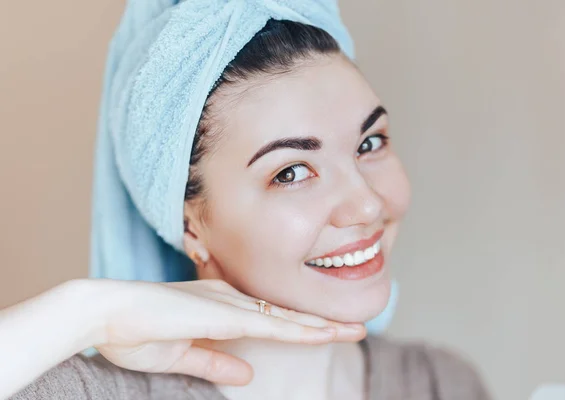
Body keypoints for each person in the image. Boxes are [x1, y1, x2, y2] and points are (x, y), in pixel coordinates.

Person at [1, 1, 491, 399]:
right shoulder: (89, 394)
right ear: (190, 224)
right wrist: (89, 311)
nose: (366, 205)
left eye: (370, 143)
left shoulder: (441, 383)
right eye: (292, 172)